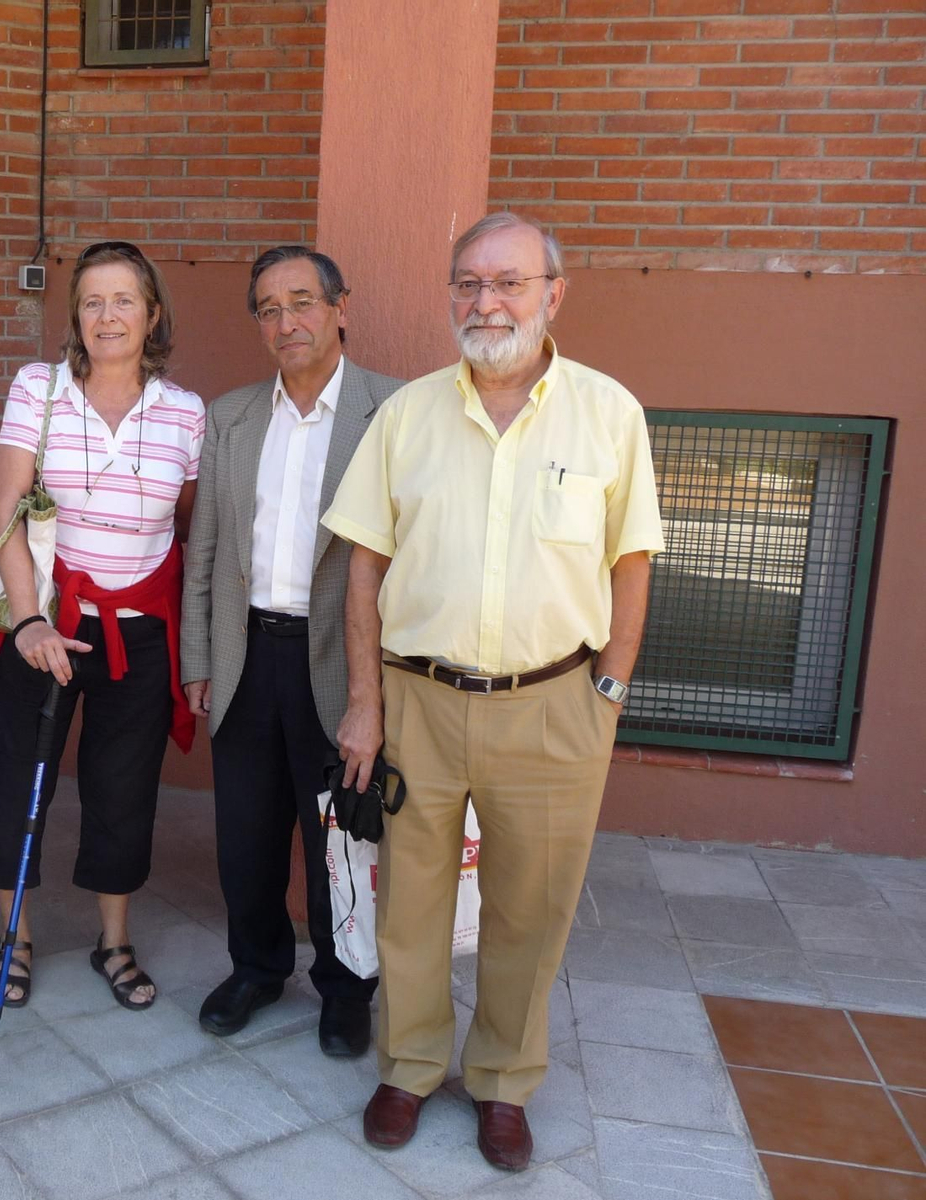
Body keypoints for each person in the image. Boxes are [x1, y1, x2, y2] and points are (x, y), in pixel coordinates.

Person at [323, 211, 664, 1171]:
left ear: (553, 294)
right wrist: (364, 698)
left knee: (532, 905)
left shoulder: (610, 413)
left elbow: (632, 561)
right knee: (412, 901)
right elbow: (363, 566)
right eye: (469, 282)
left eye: (509, 282)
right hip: (419, 699)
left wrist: (610, 688)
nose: (487, 301)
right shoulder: (407, 415)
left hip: (557, 703)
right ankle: (410, 1065)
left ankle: (504, 1081)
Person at [0, 240, 204, 1011]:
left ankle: (114, 939)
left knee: (122, 789)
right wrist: (29, 620)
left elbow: (185, 529)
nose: (109, 316)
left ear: (153, 312)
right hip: (47, 622)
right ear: (75, 314)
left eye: (125, 300)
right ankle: (16, 938)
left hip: (136, 631)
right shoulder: (38, 388)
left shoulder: (185, 412)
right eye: (93, 301)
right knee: (19, 785)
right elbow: (6, 508)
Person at [180, 246, 400, 1057]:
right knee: (247, 834)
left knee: (340, 836)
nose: (287, 321)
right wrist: (198, 658)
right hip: (248, 654)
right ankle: (258, 967)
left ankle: (346, 987)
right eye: (268, 308)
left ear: (341, 307)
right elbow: (204, 550)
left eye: (302, 302)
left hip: (341, 658)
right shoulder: (231, 415)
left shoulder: (394, 410)